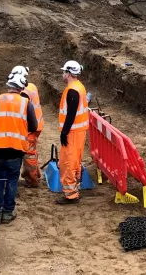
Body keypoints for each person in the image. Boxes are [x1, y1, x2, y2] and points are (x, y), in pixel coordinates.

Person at [0, 67, 39, 225]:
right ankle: (7, 213)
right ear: (21, 88)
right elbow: (33, 126)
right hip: (15, 150)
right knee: (12, 180)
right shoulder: (26, 103)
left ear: (8, 86)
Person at [57, 60, 89, 205]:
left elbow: (71, 114)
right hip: (78, 131)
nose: (63, 75)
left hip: (73, 131)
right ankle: (75, 189)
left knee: (68, 163)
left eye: (64, 72)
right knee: (75, 161)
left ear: (69, 73)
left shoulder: (72, 91)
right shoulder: (79, 86)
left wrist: (64, 131)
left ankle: (70, 195)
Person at [15, 66, 45, 188]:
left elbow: (22, 112)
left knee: (29, 154)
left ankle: (32, 180)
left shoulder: (23, 93)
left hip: (30, 127)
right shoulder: (31, 86)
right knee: (31, 152)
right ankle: (34, 175)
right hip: (37, 124)